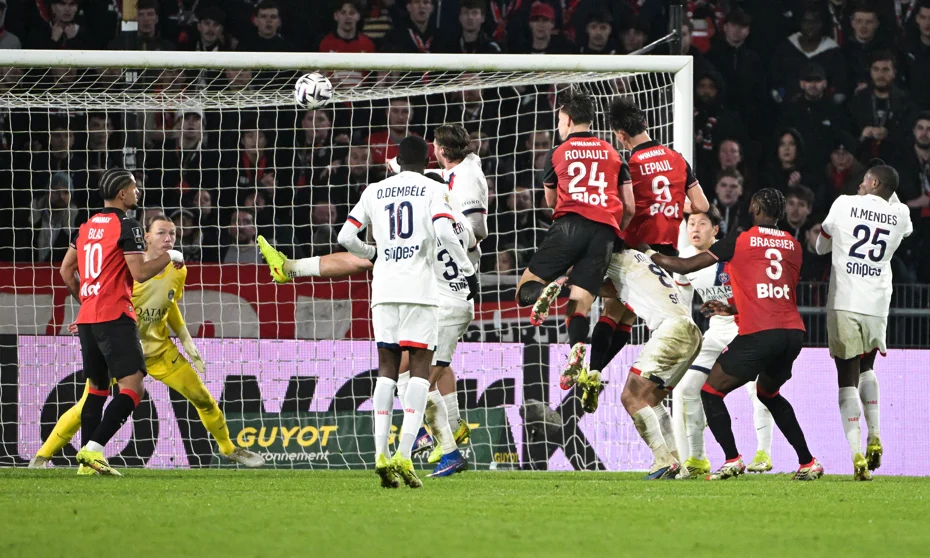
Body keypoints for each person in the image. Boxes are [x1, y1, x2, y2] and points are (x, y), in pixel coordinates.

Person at [30, 214, 264, 471]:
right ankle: (42, 456)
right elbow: (102, 297)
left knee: (203, 398)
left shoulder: (178, 270)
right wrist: (92, 321)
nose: (168, 238)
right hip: (120, 349)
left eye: (172, 233)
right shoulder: (130, 271)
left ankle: (229, 449)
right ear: (146, 237)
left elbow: (169, 303)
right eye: (161, 232)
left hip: (159, 351)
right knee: (86, 406)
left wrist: (186, 339)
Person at [650, 188, 824, 481]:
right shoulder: (794, 245)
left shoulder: (740, 239)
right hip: (792, 333)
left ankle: (733, 459)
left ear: (755, 208)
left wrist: (647, 253)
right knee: (769, 394)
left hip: (759, 332)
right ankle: (808, 462)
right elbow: (771, 290)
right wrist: (731, 307)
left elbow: (685, 265)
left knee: (710, 392)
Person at [336, 136, 477, 489]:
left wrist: (373, 253)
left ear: (397, 161)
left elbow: (345, 237)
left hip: (384, 290)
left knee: (386, 372)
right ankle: (403, 453)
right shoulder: (433, 189)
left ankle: (380, 454)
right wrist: (467, 268)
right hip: (420, 291)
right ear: (427, 161)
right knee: (418, 372)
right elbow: (444, 230)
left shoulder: (374, 190)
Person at [56, 168, 184, 476]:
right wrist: (171, 256)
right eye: (134, 187)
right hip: (115, 315)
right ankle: (93, 449)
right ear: (122, 194)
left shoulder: (85, 227)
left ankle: (87, 467)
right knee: (133, 387)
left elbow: (65, 271)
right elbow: (139, 273)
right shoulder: (128, 226)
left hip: (88, 318)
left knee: (97, 389)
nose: (138, 192)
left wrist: (87, 301)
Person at [578, 96, 708, 396]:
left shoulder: (630, 164)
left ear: (621, 135)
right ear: (645, 123)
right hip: (667, 253)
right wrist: (675, 204)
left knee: (612, 310)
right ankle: (595, 373)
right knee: (628, 316)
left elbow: (624, 207)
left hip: (637, 247)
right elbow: (701, 205)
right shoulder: (678, 159)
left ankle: (593, 371)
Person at [517, 88, 633, 391]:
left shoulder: (558, 152)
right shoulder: (613, 153)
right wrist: (616, 233)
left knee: (524, 291)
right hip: (605, 232)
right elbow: (630, 207)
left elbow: (551, 202)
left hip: (570, 224)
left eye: (559, 120)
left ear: (567, 119)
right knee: (579, 305)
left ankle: (548, 287)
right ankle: (576, 348)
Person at [393, 124, 489, 475]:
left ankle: (439, 441)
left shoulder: (463, 183)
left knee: (413, 377)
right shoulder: (451, 181)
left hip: (450, 293)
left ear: (442, 150)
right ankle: (453, 426)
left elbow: (476, 230)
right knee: (431, 365)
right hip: (448, 294)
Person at [814, 165, 913, 480]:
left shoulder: (844, 204)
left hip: (845, 302)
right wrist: (887, 194)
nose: (859, 185)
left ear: (873, 182)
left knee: (847, 379)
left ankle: (857, 455)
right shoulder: (901, 213)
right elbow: (903, 226)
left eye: (864, 181)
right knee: (868, 368)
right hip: (877, 305)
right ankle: (876, 435)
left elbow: (820, 246)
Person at [671, 207, 776, 477]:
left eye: (702, 223)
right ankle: (698, 458)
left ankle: (763, 454)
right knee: (687, 389)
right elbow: (683, 302)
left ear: (715, 229)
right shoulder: (685, 259)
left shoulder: (732, 252)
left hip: (745, 329)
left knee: (757, 390)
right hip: (715, 331)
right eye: (691, 224)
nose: (695, 229)